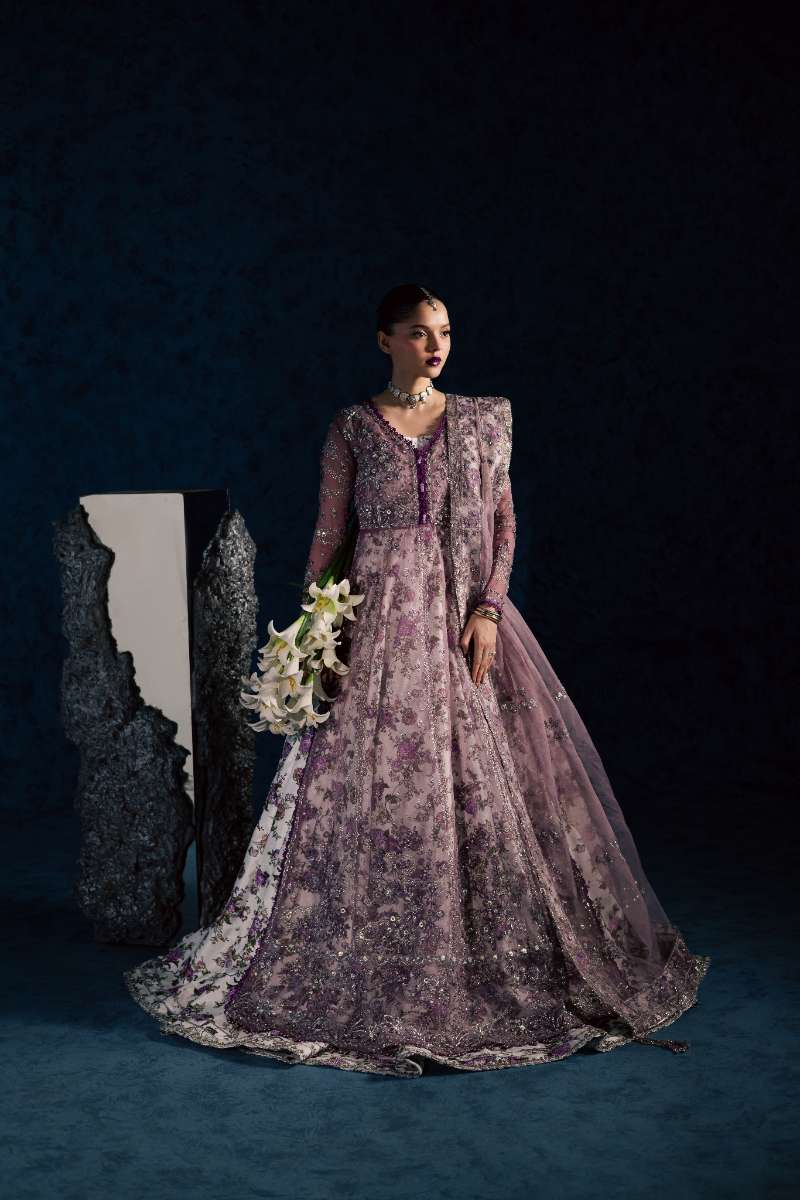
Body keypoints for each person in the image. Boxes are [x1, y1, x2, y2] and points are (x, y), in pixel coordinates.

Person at [124, 283, 710, 1076]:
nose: (436, 347)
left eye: (444, 332)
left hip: (461, 623)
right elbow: (329, 533)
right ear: (384, 340)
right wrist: (315, 635)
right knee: (366, 788)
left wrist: (489, 609)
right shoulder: (353, 428)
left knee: (485, 787)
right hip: (374, 625)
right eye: (418, 333)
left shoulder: (484, 420)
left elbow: (504, 522)